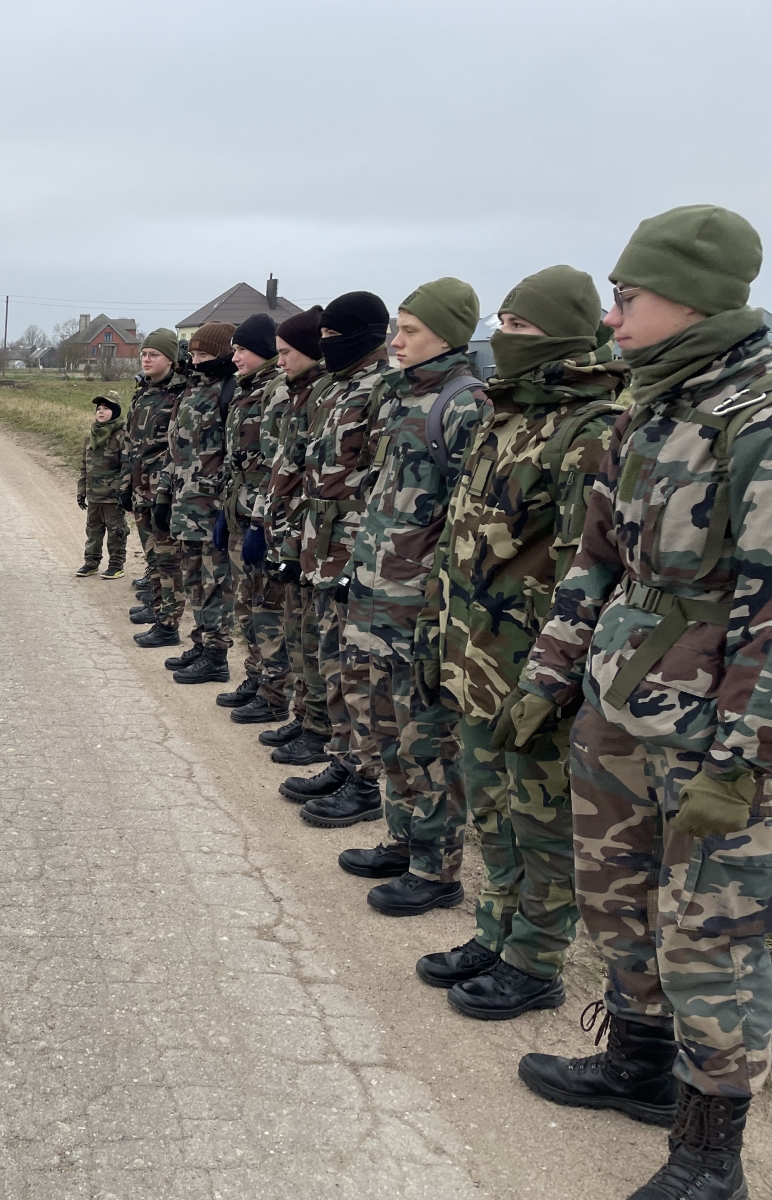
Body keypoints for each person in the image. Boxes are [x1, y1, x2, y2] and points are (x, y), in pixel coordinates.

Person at [508, 206, 772, 1200]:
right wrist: (547, 676)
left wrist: (742, 760)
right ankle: (636, 1068)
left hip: (714, 736)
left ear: (692, 298)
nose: (612, 319)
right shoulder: (645, 408)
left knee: (712, 943)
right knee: (617, 901)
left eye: (628, 298)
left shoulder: (756, 418)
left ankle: (710, 1157)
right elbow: (595, 561)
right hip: (618, 710)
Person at [419, 266, 628, 1019]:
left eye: (521, 327)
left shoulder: (590, 432)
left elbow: (588, 571)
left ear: (564, 336)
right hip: (473, 658)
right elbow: (459, 537)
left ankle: (536, 960)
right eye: (501, 324)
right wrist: (434, 629)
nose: (503, 339)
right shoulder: (501, 416)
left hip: (535, 672)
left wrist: (554, 681)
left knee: (541, 823)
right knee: (490, 809)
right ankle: (495, 931)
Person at [323, 279, 490, 921]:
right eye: (397, 327)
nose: (396, 340)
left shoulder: (464, 405)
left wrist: (441, 609)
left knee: (427, 740)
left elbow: (467, 521)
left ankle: (436, 869)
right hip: (376, 594)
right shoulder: (401, 398)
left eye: (411, 330)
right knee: (386, 730)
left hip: (418, 605)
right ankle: (401, 840)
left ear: (447, 335)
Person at [278, 293, 389, 819]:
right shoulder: (333, 388)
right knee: (333, 660)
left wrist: (361, 558)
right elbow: (307, 472)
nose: (325, 346)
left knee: (358, 669)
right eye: (320, 338)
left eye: (331, 337)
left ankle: (365, 781)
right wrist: (292, 542)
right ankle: (343, 760)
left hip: (354, 548)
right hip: (319, 545)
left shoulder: (383, 391)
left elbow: (384, 485)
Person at [142, 322, 237, 683]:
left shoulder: (229, 391)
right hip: (185, 505)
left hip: (213, 508)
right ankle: (200, 642)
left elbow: (235, 456)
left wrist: (225, 503)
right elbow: (175, 449)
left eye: (205, 354)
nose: (196, 361)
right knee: (193, 579)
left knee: (216, 584)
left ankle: (216, 654)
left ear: (223, 355)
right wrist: (164, 496)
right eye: (194, 354)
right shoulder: (192, 391)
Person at [258, 307, 332, 765]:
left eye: (287, 352)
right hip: (293, 532)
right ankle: (305, 716)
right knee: (299, 631)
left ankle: (319, 728)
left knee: (316, 637)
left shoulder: (323, 395)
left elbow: (312, 476)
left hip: (318, 537)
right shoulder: (298, 392)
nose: (280, 360)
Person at [215, 314, 286, 719]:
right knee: (246, 605)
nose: (235, 357)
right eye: (234, 349)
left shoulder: (276, 392)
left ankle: (275, 694)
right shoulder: (248, 390)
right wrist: (226, 510)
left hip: (262, 517)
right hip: (240, 512)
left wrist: (260, 522)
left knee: (266, 608)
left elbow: (277, 463)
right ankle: (256, 677)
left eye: (242, 349)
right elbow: (236, 461)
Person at [123, 330, 186, 628]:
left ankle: (168, 615)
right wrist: (125, 484)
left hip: (163, 487)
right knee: (151, 553)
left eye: (154, 355)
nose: (146, 360)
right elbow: (129, 440)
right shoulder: (143, 391)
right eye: (144, 354)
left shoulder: (181, 393)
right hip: (140, 486)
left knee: (167, 555)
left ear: (170, 359)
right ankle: (156, 602)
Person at [76, 392, 127, 578]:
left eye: (106, 408)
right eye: (99, 408)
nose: (101, 411)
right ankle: (91, 563)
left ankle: (116, 565)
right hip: (94, 495)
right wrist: (81, 491)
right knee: (93, 531)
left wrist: (124, 491)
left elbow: (127, 466)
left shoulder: (121, 435)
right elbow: (85, 467)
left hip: (113, 496)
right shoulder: (91, 436)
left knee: (116, 532)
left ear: (115, 412)